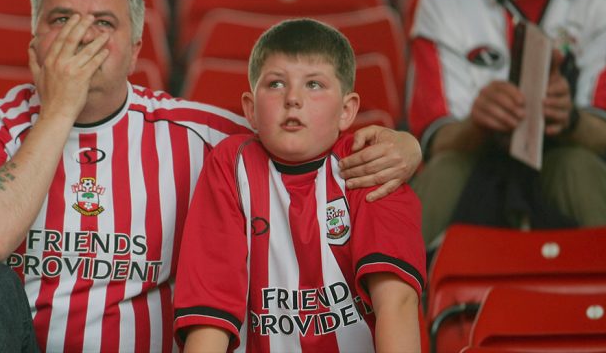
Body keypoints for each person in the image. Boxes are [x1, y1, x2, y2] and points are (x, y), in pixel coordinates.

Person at [0, 0, 423, 352]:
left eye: (103, 23)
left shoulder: (201, 137)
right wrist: (60, 110)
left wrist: (406, 146)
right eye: (61, 20)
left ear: (135, 47)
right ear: (35, 41)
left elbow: (300, 134)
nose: (80, 36)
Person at [173, 19, 425, 352]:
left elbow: (397, 304)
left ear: (347, 110)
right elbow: (210, 314)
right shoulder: (229, 166)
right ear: (250, 109)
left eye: (314, 85)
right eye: (276, 84)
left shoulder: (373, 162)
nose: (293, 98)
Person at [408, 0, 606, 247]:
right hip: (476, 164)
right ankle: (396, 295)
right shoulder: (442, 0)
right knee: (443, 173)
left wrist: (569, 119)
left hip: (576, 163)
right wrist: (478, 123)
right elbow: (436, 140)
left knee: (577, 167)